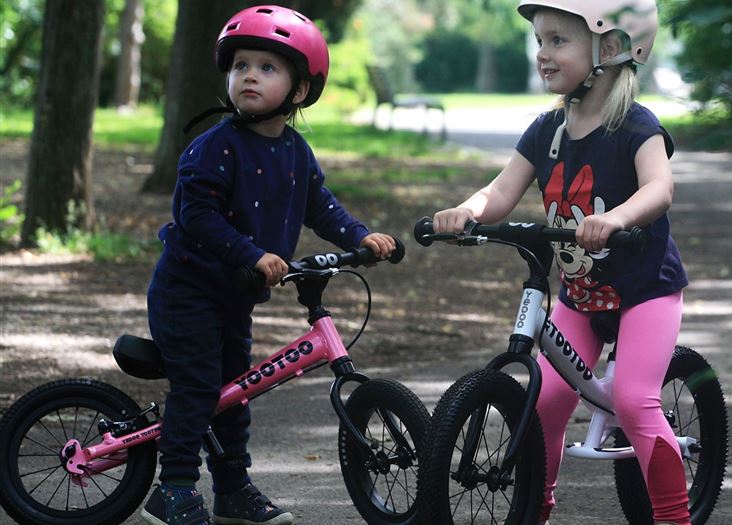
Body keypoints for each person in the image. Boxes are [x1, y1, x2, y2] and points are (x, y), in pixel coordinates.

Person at [430, 1, 691, 523]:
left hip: (645, 288)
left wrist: (615, 218)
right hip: (582, 293)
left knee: (637, 402)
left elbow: (659, 190)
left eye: (558, 41)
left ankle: (673, 517)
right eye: (540, 41)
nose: (542, 54)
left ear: (611, 48)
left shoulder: (636, 126)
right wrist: (466, 212)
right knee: (545, 401)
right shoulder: (548, 130)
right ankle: (536, 508)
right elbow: (501, 190)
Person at [141, 5, 397, 525]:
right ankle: (172, 488)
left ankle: (232, 490)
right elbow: (197, 218)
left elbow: (320, 206)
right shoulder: (213, 148)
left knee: (236, 394)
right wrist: (253, 254)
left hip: (233, 297)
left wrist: (360, 237)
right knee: (199, 389)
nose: (249, 75)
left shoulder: (297, 153)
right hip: (187, 291)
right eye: (240, 66)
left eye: (266, 67)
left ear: (299, 90)